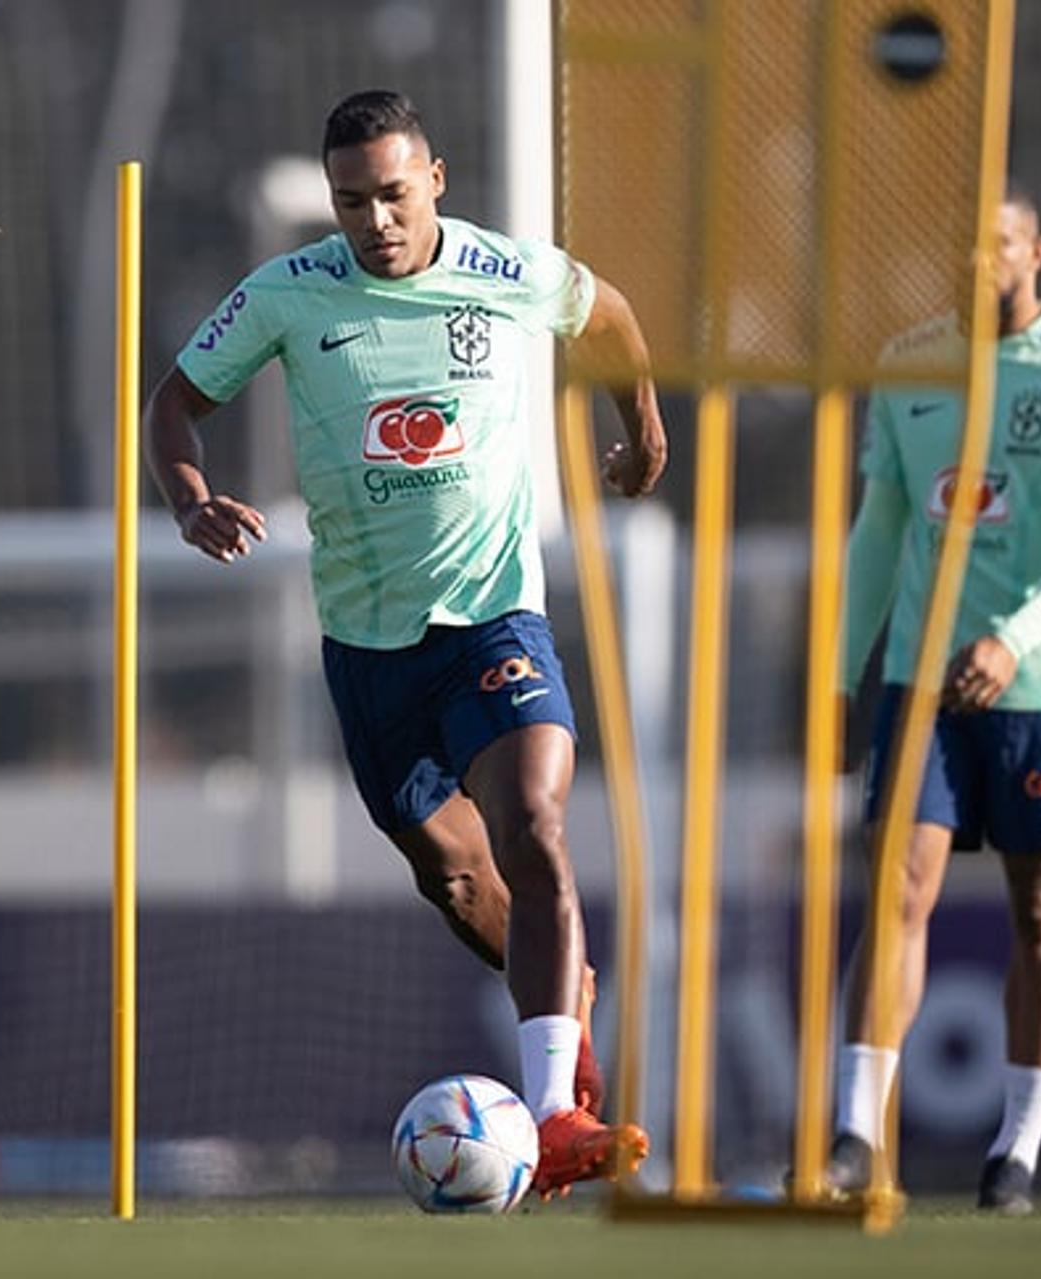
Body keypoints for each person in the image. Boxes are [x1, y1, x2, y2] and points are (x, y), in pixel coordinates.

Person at [142, 89, 667, 1197]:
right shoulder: (286, 295)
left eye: (391, 192)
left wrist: (644, 429)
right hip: (368, 645)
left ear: (435, 178)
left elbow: (612, 317)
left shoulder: (510, 274)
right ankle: (568, 1001)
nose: (374, 219)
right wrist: (189, 499)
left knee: (532, 822)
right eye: (350, 201)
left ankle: (556, 1107)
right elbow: (173, 404)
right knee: (457, 876)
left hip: (493, 619)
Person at [828, 185, 1041, 1214]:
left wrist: (1013, 640)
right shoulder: (909, 363)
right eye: (958, 247)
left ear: (1036, 251)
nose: (974, 264)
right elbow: (879, 530)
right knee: (896, 890)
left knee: (1040, 906)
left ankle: (1019, 1148)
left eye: (995, 246)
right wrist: (844, 673)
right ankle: (850, 1134)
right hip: (920, 679)